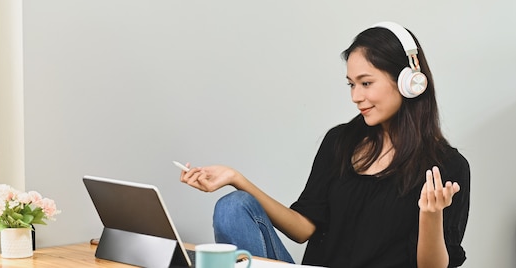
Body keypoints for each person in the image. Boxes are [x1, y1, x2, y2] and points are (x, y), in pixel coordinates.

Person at [179, 21, 470, 268]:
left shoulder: (447, 167)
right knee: (233, 206)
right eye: (351, 84)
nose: (355, 96)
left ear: (410, 82)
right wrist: (236, 179)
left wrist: (430, 215)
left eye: (366, 83)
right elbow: (304, 227)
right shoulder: (340, 142)